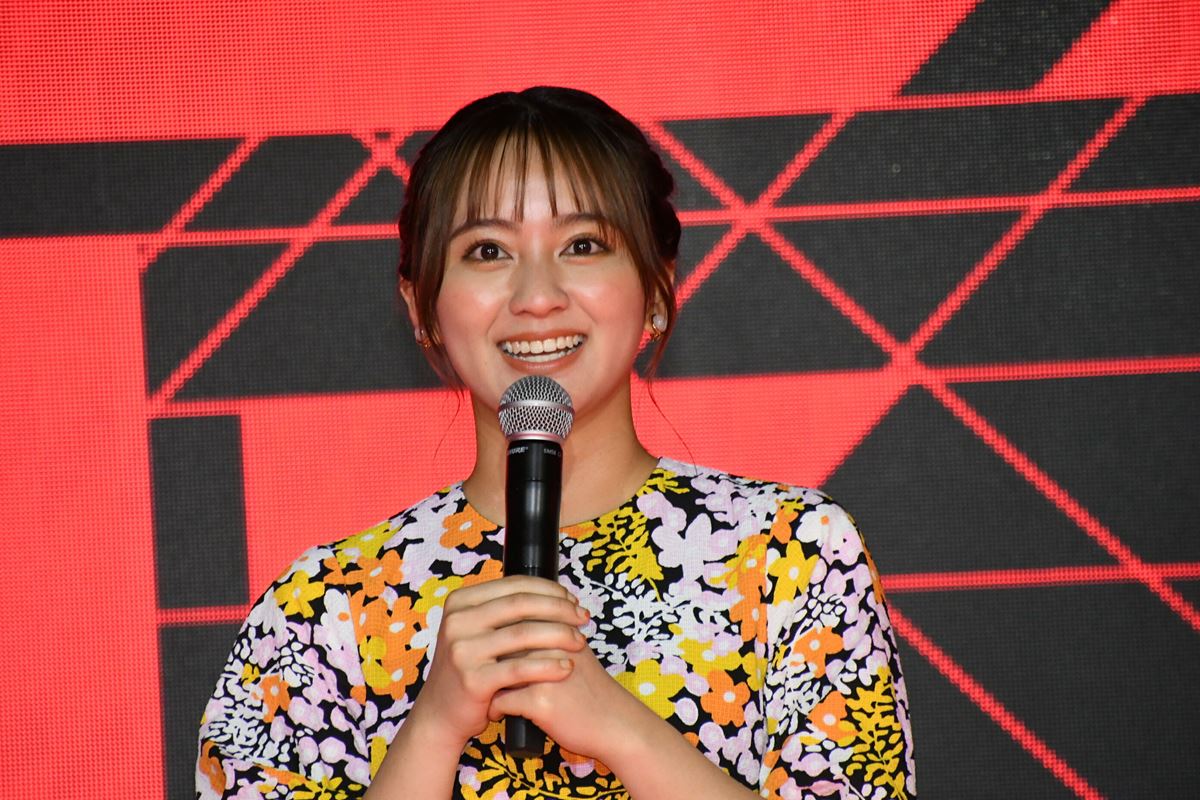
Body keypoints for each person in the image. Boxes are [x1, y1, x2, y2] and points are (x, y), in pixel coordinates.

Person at [196, 86, 916, 800]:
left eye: (583, 245)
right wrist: (434, 728)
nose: (537, 296)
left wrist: (623, 731)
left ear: (657, 288)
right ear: (423, 308)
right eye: (487, 251)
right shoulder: (325, 611)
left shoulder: (792, 557)